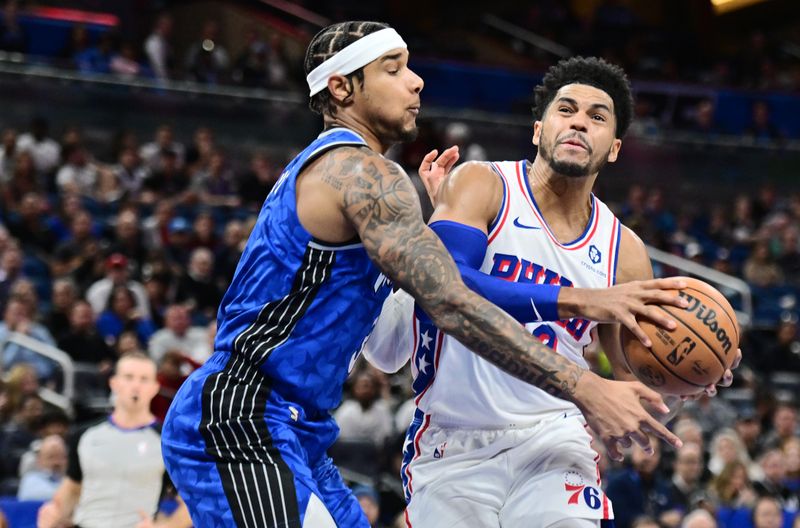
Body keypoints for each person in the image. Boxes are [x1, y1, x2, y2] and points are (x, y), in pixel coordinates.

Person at [161, 22, 688, 528]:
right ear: (343, 88)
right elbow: (452, 301)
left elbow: (392, 343)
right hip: (243, 414)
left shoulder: (371, 183)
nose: (416, 81)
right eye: (394, 69)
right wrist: (583, 372)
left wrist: (688, 371)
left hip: (298, 428)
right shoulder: (366, 174)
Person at [364, 56, 739, 527]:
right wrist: (578, 299)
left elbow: (628, 382)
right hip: (454, 439)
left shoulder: (625, 252)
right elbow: (444, 285)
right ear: (539, 130)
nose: (580, 121)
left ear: (616, 147)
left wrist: (689, 374)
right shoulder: (484, 184)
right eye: (566, 110)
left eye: (597, 117)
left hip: (555, 438)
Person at [37, 353, 191, 528]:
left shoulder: (167, 443)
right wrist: (53, 512)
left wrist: (163, 527)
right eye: (129, 377)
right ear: (114, 383)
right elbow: (72, 488)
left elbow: (193, 504)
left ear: (155, 387)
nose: (136, 386)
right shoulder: (85, 435)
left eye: (144, 379)